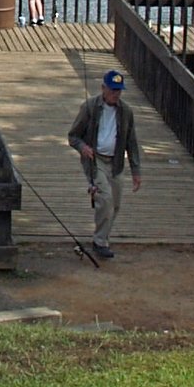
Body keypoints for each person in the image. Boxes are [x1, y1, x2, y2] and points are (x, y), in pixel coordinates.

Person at [66, 70, 142, 259]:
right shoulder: (90, 107)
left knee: (115, 204)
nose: (116, 94)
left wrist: (136, 171)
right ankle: (100, 242)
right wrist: (83, 147)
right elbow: (73, 136)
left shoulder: (126, 112)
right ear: (103, 89)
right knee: (106, 199)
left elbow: (131, 142)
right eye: (113, 90)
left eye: (119, 90)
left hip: (116, 162)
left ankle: (102, 238)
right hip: (95, 160)